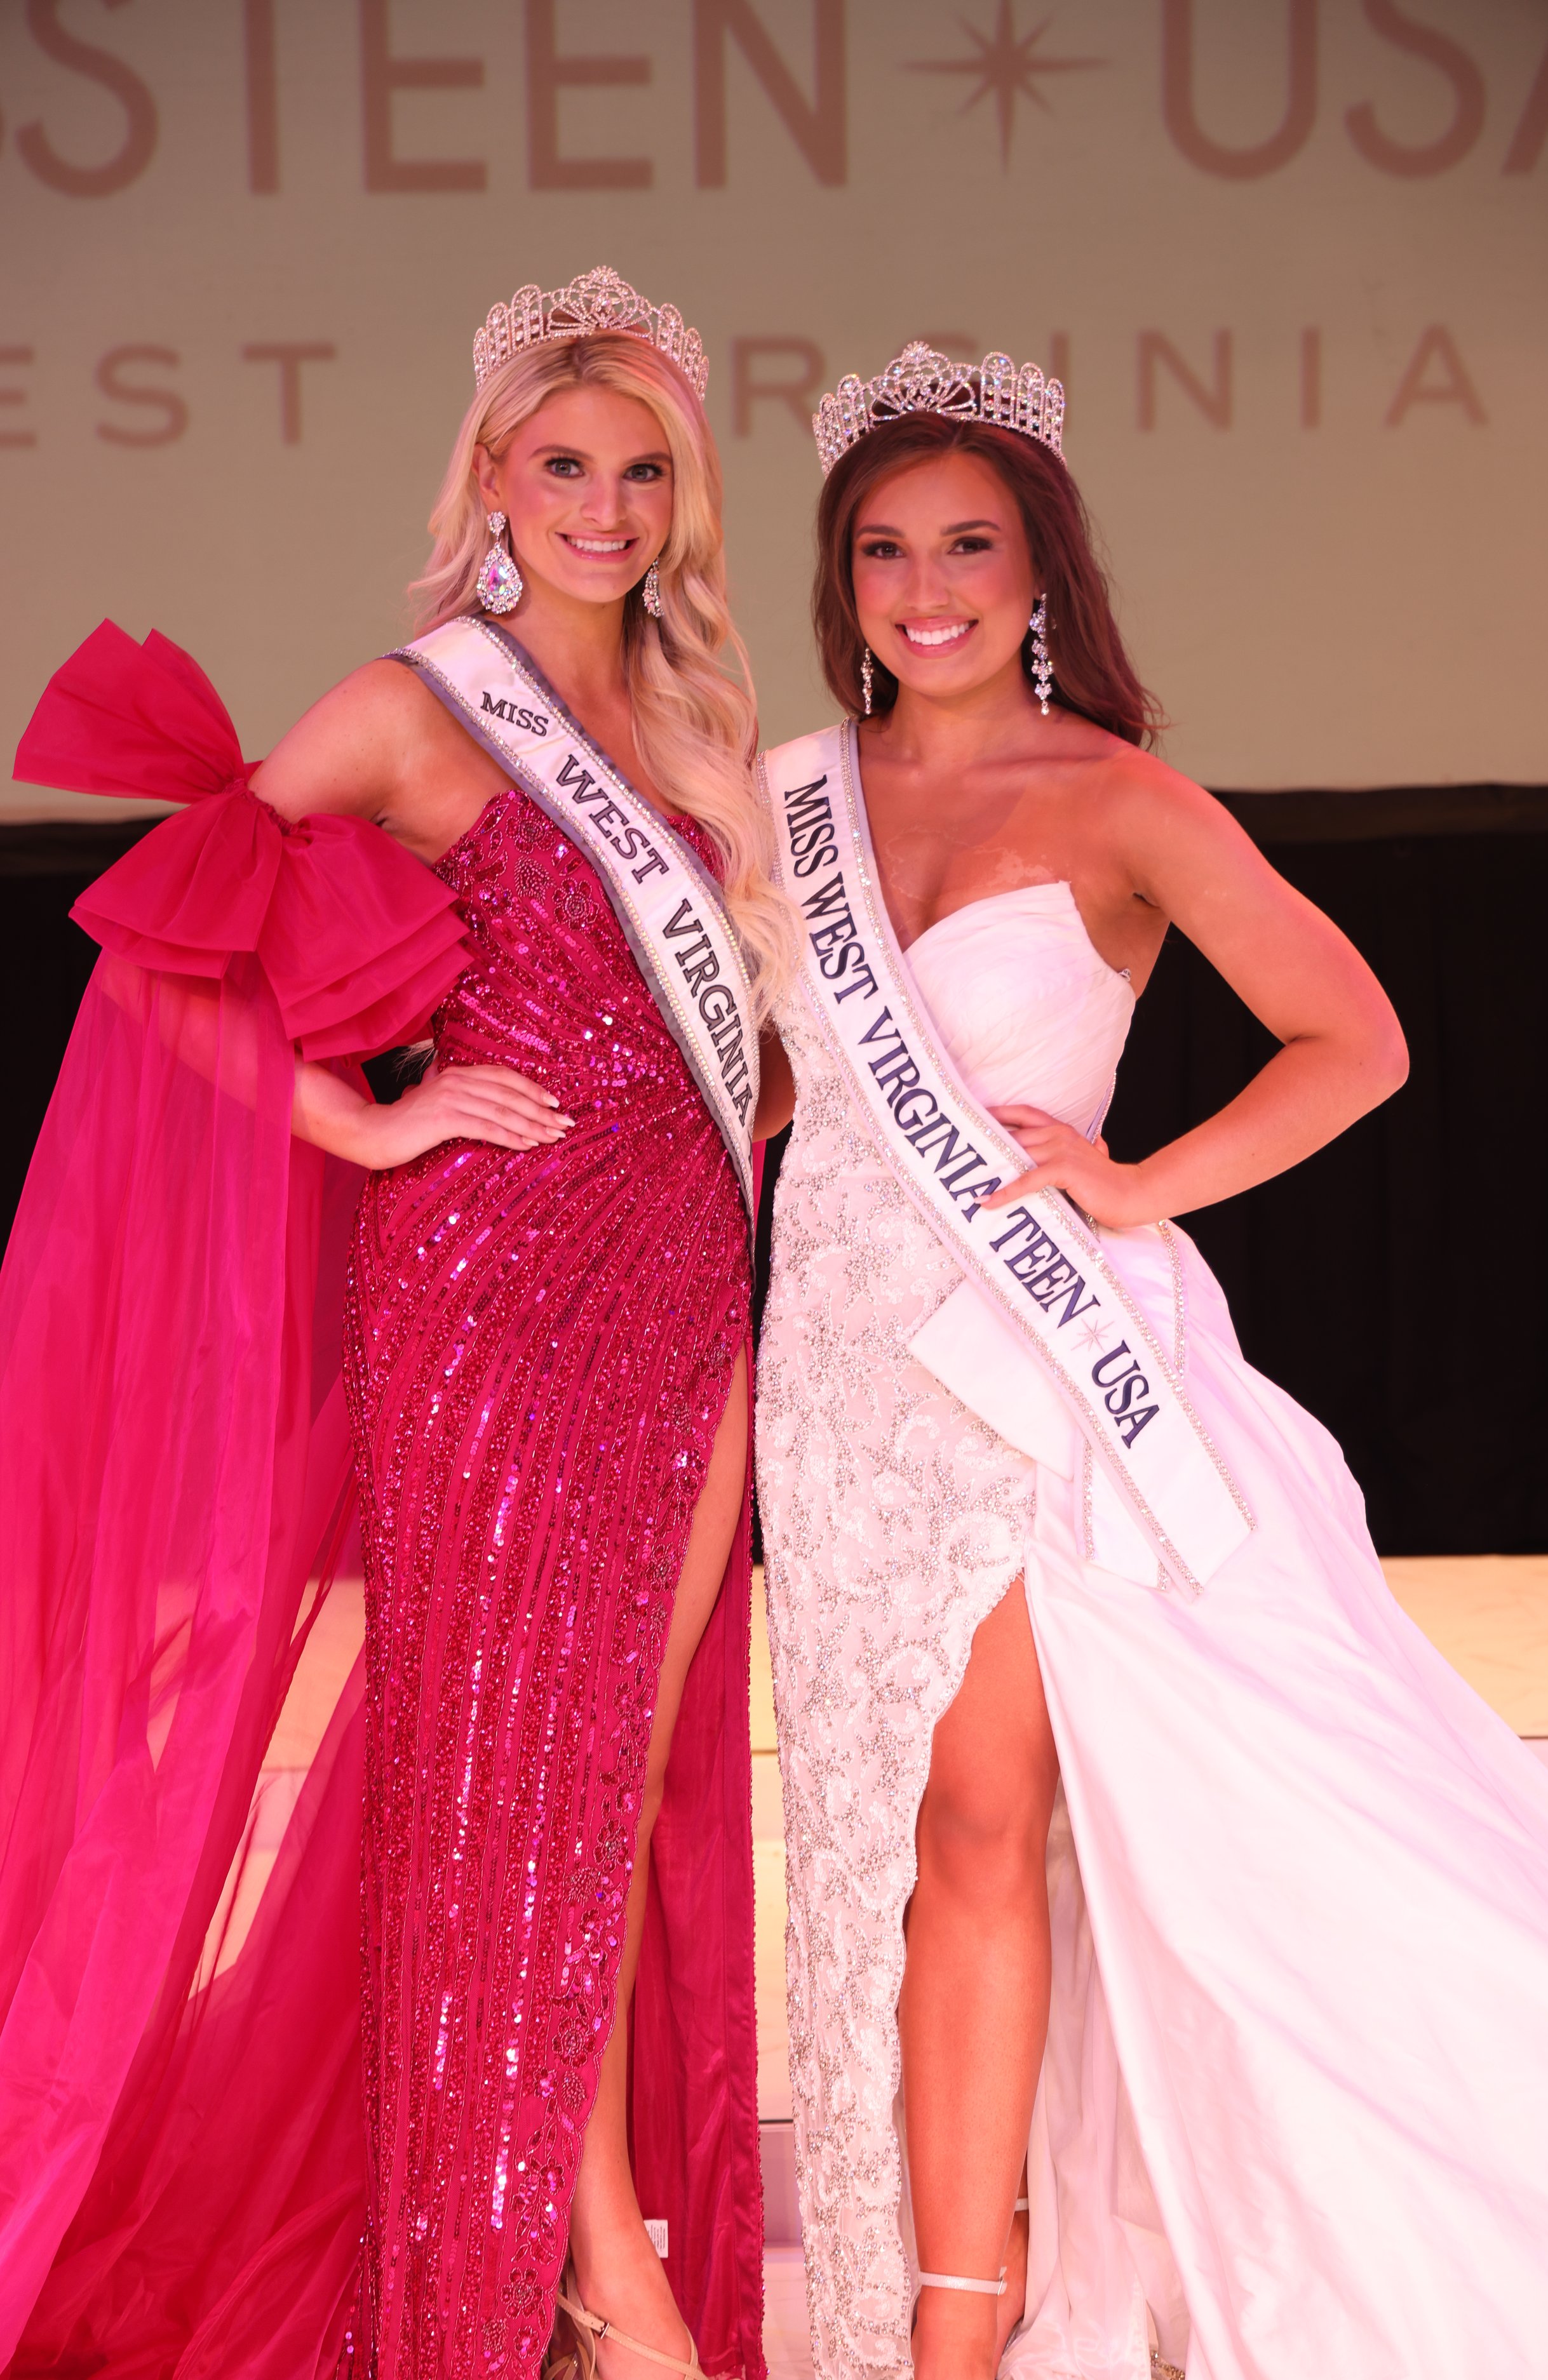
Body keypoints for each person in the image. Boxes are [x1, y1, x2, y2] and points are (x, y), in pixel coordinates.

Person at [753, 342, 1548, 2380]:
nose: (924, 589)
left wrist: (1138, 1185)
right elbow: (777, 1088)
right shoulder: (786, 800)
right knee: (881, 1842)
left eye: (968, 545)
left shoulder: (1117, 796)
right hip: (837, 1383)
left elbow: (1354, 1038)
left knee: (974, 1828)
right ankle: (963, 2272)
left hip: (1026, 1368)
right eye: (883, 550)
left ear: (1041, 568)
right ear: (840, 577)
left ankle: (954, 2337)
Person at [0, 269, 790, 2380]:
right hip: (489, 1294)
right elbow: (160, 951)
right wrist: (366, 1121)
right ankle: (594, 2269)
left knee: (618, 1773)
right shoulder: (411, 706)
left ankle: (546, 2241)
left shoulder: (697, 730)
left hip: (683, 1286)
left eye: (643, 472)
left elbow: (726, 1030)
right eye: (565, 466)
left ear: (684, 501)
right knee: (513, 1770)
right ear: (493, 482)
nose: (605, 508)